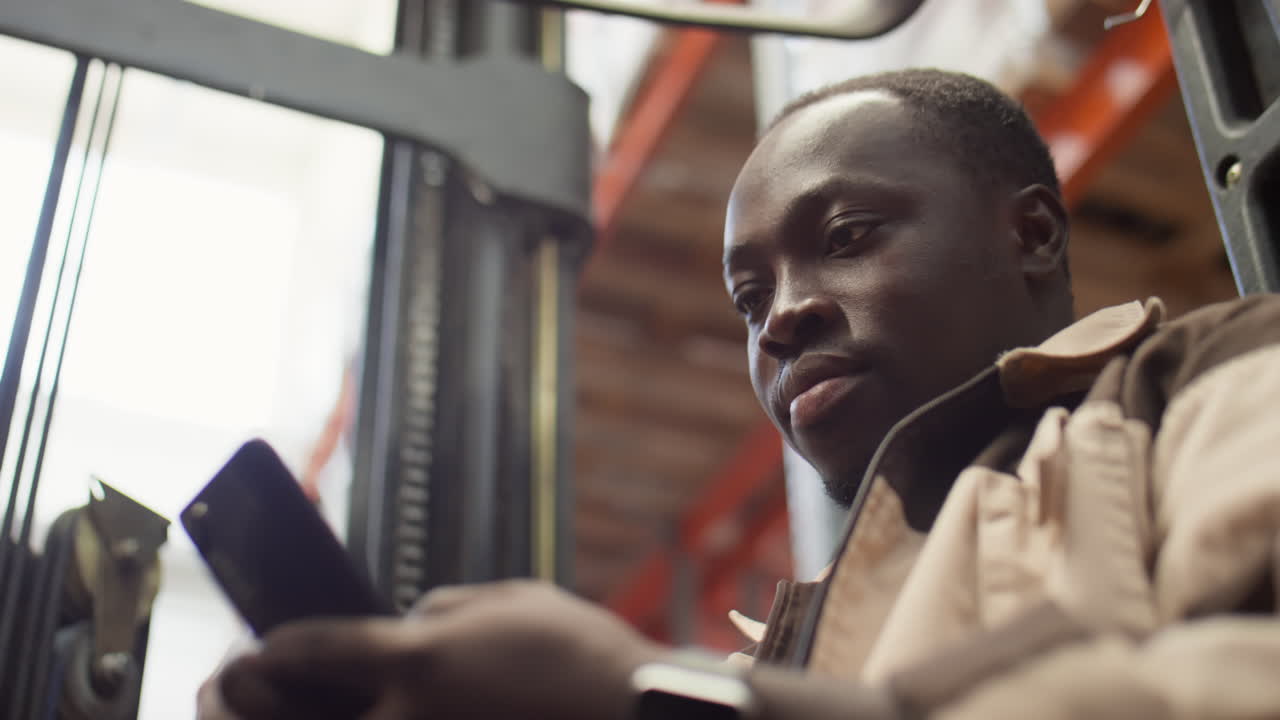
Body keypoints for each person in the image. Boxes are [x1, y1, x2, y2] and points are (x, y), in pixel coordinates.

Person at [200, 69, 1280, 719]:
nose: (781, 316)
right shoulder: (784, 652)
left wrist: (651, 702)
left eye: (846, 239)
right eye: (747, 295)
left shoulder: (1207, 378)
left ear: (1031, 233)